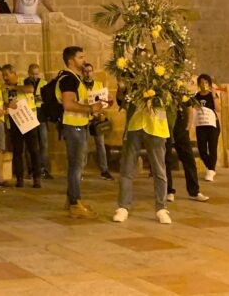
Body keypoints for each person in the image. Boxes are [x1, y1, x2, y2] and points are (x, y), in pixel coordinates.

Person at [112, 84, 172, 225]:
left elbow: (170, 102)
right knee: (127, 168)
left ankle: (161, 208)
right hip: (135, 124)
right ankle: (123, 207)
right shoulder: (132, 77)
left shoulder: (165, 78)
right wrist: (121, 89)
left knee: (159, 170)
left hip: (156, 126)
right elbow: (122, 101)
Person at [56, 46, 103, 219]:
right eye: (80, 57)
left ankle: (71, 199)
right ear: (71, 60)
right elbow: (68, 104)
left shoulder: (76, 78)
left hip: (79, 124)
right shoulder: (69, 79)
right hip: (73, 126)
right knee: (76, 165)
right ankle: (75, 203)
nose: (84, 60)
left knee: (78, 163)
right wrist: (90, 108)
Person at [2, 64, 41, 188]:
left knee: (33, 150)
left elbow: (30, 89)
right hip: (15, 123)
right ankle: (19, 178)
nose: (5, 78)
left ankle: (37, 178)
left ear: (14, 73)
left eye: (6, 75)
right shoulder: (5, 88)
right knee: (17, 151)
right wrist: (7, 105)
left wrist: (13, 87)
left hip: (29, 121)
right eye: (3, 75)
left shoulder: (25, 81)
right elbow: (4, 102)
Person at [165, 100, 208, 203]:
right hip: (165, 129)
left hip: (181, 129)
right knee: (166, 159)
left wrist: (188, 126)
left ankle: (194, 191)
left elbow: (189, 108)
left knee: (189, 160)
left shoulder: (182, 93)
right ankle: (168, 191)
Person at [82, 63, 114, 181]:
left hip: (96, 119)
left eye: (90, 71)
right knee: (83, 146)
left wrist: (108, 100)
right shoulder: (80, 85)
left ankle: (104, 170)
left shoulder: (99, 85)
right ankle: (80, 171)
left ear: (93, 72)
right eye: (86, 71)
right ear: (82, 73)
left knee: (100, 145)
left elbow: (106, 101)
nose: (88, 73)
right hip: (84, 118)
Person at [22, 64, 51, 179]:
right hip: (28, 117)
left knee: (44, 144)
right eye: (33, 74)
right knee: (30, 145)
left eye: (37, 74)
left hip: (41, 116)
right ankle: (31, 169)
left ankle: (43, 169)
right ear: (28, 73)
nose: (35, 76)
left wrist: (42, 98)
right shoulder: (24, 83)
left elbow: (49, 98)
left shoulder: (43, 83)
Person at [194, 74, 221, 182]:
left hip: (212, 125)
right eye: (201, 82)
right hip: (201, 126)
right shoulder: (196, 96)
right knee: (202, 150)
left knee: (212, 148)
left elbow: (218, 109)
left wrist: (214, 95)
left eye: (205, 82)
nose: (203, 84)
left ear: (209, 84)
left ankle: (211, 171)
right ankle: (210, 167)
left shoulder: (212, 95)